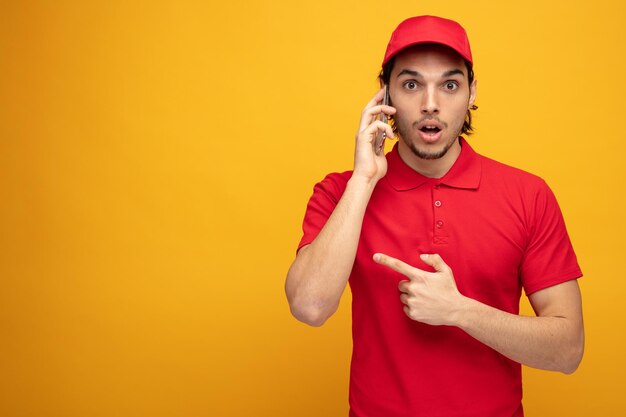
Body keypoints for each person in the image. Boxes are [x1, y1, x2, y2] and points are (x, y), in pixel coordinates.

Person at [285, 15, 584, 417]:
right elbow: (309, 307)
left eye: (449, 84)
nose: (430, 103)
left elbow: (567, 349)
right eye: (411, 85)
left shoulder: (528, 195)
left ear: (472, 92)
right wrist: (364, 179)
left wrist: (459, 310)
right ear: (384, 95)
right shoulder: (342, 193)